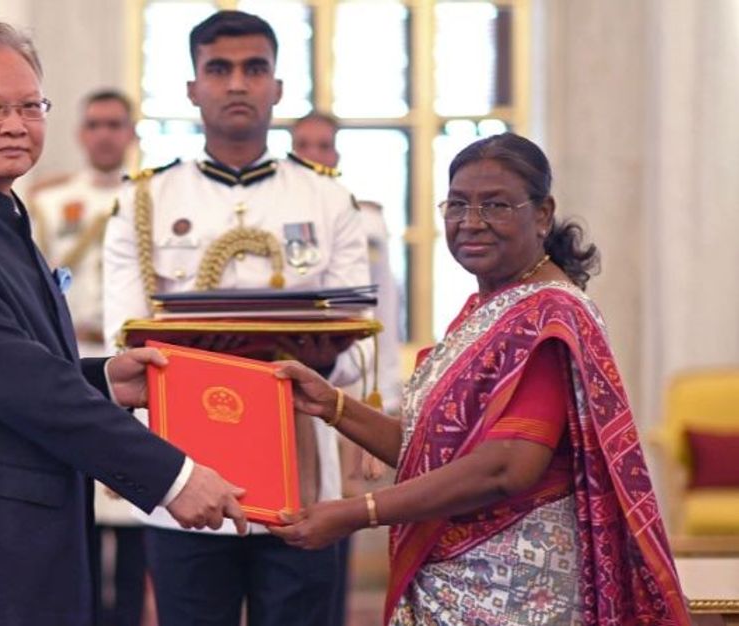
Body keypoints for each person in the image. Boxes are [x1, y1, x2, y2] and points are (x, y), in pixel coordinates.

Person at [0, 21, 246, 626]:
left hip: (14, 545)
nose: (16, 125)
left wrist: (105, 379)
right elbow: (25, 388)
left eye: (30, 106)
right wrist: (174, 477)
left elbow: (6, 370)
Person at [271, 133, 690, 624]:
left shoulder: (548, 316)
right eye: (457, 205)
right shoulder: (488, 308)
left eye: (495, 205)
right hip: (457, 584)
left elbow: (505, 467)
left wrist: (357, 512)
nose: (471, 222)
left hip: (515, 591)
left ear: (542, 214)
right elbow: (434, 454)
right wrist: (333, 406)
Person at [103, 11, 371, 626]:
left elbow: (361, 338)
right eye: (218, 69)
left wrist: (322, 361)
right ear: (192, 87)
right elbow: (127, 337)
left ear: (278, 87)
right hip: (185, 467)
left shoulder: (327, 198)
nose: (237, 84)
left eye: (254, 68)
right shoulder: (145, 199)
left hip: (301, 470)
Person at [29, 89, 146, 626]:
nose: (104, 134)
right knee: (80, 517)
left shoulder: (151, 198)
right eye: (95, 124)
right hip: (73, 360)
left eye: (115, 124)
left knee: (139, 511)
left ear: (131, 134)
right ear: (80, 133)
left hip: (136, 363)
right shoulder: (50, 202)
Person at [291, 109, 404, 626]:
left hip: (348, 388)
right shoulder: (275, 212)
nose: (314, 155)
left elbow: (382, 316)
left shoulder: (365, 220)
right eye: (304, 145)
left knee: (339, 510)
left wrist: (382, 397)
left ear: (336, 154)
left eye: (324, 145)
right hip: (289, 384)